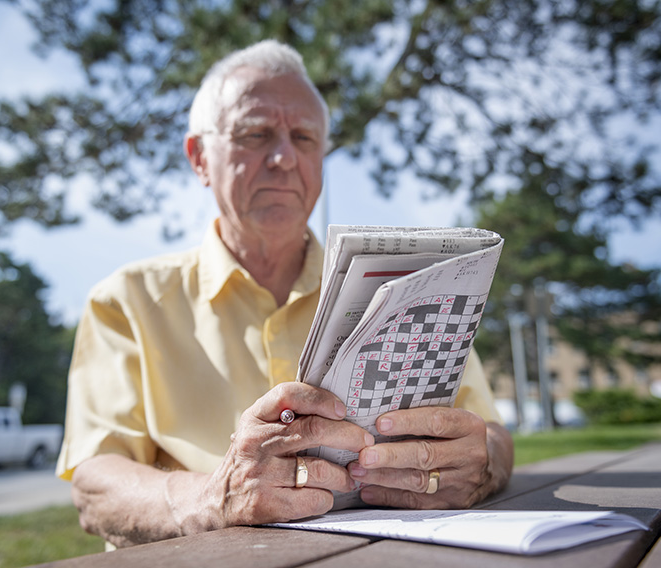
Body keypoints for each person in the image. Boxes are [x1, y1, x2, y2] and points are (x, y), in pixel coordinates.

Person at [56, 39, 514, 548]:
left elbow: (490, 435)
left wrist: (480, 465)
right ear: (199, 157)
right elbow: (95, 484)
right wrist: (214, 498)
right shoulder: (125, 301)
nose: (283, 157)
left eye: (304, 137)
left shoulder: (407, 287)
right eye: (255, 134)